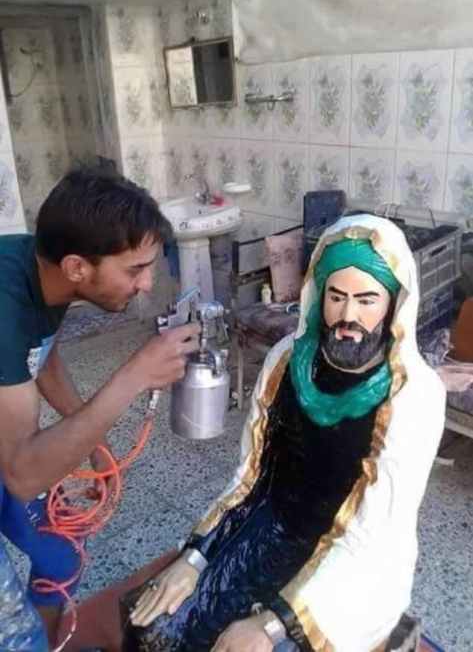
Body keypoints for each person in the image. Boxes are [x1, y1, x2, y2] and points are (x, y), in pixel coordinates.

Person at [124, 213, 446, 652]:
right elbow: (250, 479)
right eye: (336, 297)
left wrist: (275, 623)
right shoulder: (286, 362)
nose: (347, 316)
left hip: (355, 568)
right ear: (319, 293)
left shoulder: (413, 396)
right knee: (155, 632)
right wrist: (196, 557)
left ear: (393, 305)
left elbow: (374, 532)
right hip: (272, 531)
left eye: (366, 300)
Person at [0, 166, 200, 648]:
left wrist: (95, 441)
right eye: (134, 269)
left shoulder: (37, 266)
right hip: (12, 460)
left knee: (60, 557)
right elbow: (22, 475)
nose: (146, 284)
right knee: (14, 631)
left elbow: (39, 355)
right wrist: (134, 375)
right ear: (77, 268)